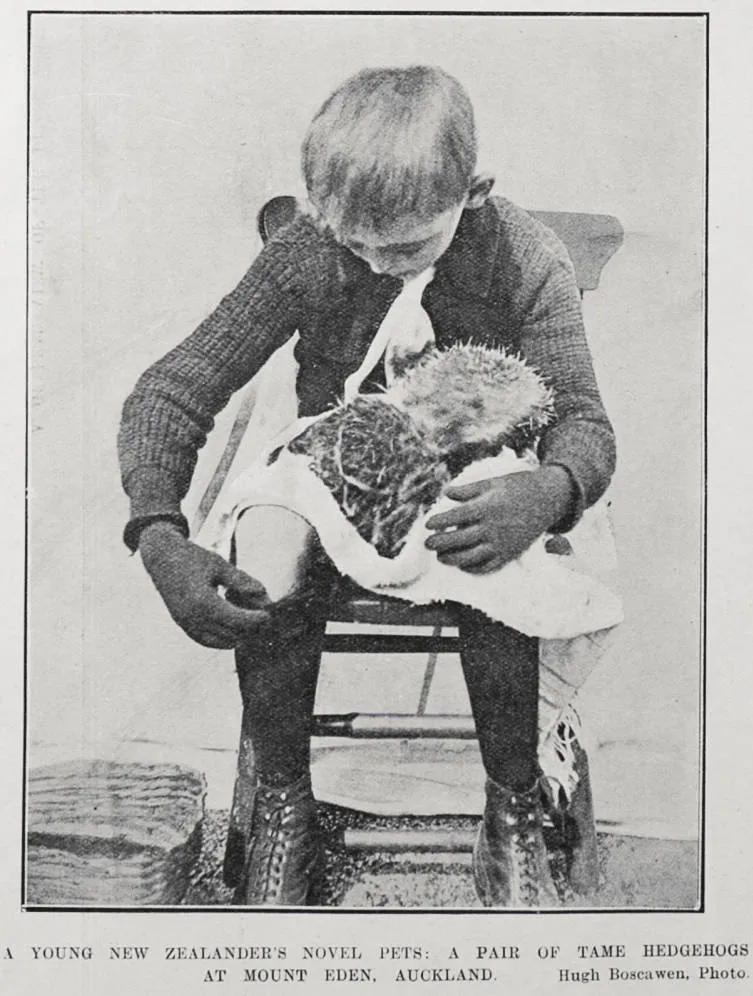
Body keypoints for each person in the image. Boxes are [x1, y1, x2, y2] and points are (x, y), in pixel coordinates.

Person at [117, 65, 616, 908]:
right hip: (334, 464)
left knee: (494, 549)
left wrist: (550, 489)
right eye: (358, 247)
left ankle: (511, 805)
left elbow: (583, 419)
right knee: (263, 534)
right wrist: (157, 531)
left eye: (405, 248)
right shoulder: (309, 248)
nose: (379, 264)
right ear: (323, 214)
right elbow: (175, 387)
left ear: (474, 193)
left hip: (471, 475)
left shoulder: (526, 255)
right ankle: (285, 803)